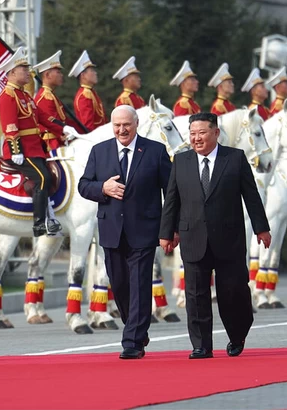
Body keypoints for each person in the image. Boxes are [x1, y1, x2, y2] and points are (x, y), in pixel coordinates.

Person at [159, 112, 271, 359]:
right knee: (196, 294)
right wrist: (167, 233)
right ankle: (201, 345)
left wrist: (261, 228)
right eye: (192, 134)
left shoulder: (235, 158)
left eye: (202, 133)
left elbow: (251, 196)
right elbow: (172, 201)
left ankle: (237, 334)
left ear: (216, 133)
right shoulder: (181, 161)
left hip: (229, 239)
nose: (196, 138)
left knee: (233, 292)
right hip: (193, 237)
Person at [78, 106, 172, 359]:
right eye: (117, 125)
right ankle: (138, 329)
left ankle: (132, 341)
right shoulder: (100, 151)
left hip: (144, 229)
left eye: (126, 125)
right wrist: (103, 188)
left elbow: (171, 191)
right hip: (111, 231)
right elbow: (84, 186)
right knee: (119, 284)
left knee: (140, 284)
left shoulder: (155, 151)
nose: (122, 130)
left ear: (136, 123)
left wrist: (170, 227)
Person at [0, 47, 67, 237]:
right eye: (24, 69)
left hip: (35, 148)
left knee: (50, 176)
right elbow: (10, 126)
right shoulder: (8, 96)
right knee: (42, 178)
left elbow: (43, 117)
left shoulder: (25, 95)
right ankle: (39, 223)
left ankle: (52, 216)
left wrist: (63, 128)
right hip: (21, 151)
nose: (29, 72)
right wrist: (15, 150)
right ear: (12, 73)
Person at [33, 50, 69, 152]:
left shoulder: (51, 95)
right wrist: (63, 132)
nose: (61, 75)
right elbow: (51, 122)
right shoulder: (45, 97)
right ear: (48, 75)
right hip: (51, 144)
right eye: (58, 72)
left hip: (58, 140)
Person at [70, 50, 106, 132]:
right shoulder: (84, 95)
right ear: (83, 76)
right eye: (92, 71)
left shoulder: (91, 92)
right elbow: (88, 124)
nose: (95, 73)